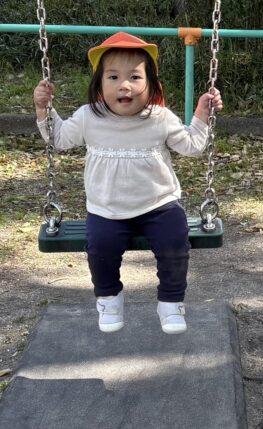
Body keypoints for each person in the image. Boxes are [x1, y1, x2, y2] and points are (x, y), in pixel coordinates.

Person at [33, 32, 223, 335]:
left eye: (135, 77)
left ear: (152, 84)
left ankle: (171, 302)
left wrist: (202, 114)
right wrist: (44, 109)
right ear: (99, 84)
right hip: (107, 209)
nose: (124, 85)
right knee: (100, 250)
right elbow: (59, 139)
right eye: (113, 77)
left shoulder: (159, 117)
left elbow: (192, 146)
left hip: (158, 205)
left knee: (175, 244)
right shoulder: (88, 117)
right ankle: (109, 299)